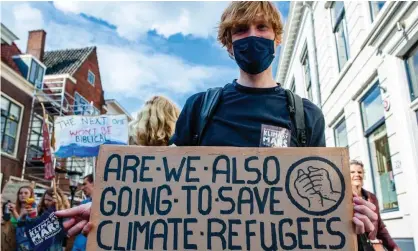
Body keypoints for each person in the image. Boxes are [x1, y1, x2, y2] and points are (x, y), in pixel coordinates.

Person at [56, 0, 377, 243]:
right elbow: (167, 191)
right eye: (241, 30)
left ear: (277, 39)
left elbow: (317, 207)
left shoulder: (307, 116)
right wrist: (110, 210)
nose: (253, 36)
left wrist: (353, 216)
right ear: (228, 44)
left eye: (262, 28)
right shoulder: (200, 108)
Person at [350, 160, 402, 251]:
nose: (357, 174)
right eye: (352, 172)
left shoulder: (372, 197)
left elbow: (380, 227)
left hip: (369, 247)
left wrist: (393, 246)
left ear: (363, 175)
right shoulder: (343, 199)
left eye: (360, 172)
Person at [71, 174, 94, 251]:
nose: (82, 188)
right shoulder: (83, 203)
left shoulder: (103, 205)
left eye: (84, 184)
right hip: (78, 246)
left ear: (94, 183)